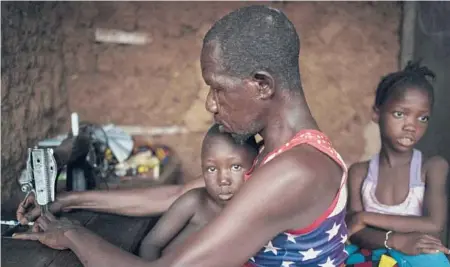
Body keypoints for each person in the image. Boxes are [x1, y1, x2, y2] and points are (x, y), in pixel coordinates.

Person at [14, 5, 349, 267]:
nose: (210, 104)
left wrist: (73, 234)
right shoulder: (276, 153)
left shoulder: (295, 171)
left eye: (218, 88)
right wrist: (69, 200)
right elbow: (177, 194)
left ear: (262, 85)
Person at [345, 61, 450, 267]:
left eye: (423, 117)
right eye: (400, 114)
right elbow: (354, 231)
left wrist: (365, 217)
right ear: (377, 113)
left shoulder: (432, 167)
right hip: (372, 254)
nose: (411, 126)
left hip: (418, 257)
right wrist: (396, 240)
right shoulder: (360, 172)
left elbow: (434, 224)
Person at [139, 124, 258, 260]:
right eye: (211, 169)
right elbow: (150, 245)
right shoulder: (194, 202)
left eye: (235, 167)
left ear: (256, 166)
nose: (223, 180)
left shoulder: (255, 214)